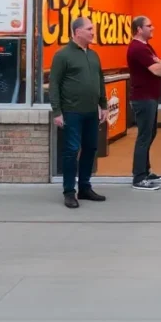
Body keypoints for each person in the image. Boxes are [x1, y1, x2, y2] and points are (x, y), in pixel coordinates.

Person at [49, 16, 108, 209]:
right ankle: (69, 192)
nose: (93, 32)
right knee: (72, 150)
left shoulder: (93, 55)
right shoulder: (62, 55)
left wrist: (104, 105)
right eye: (89, 29)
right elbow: (54, 85)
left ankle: (84, 187)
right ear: (77, 32)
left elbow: (100, 81)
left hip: (92, 112)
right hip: (71, 112)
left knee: (90, 148)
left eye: (93, 29)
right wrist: (57, 111)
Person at [127, 16, 161, 191]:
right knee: (144, 137)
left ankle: (145, 171)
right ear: (139, 29)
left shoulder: (146, 47)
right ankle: (139, 177)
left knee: (150, 134)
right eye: (149, 26)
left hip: (149, 98)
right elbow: (158, 70)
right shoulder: (138, 49)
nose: (153, 28)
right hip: (143, 99)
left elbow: (159, 64)